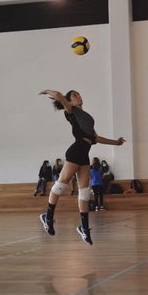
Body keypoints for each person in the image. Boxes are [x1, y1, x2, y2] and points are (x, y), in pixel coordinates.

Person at [39, 89, 125, 245]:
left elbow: (96, 138)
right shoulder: (71, 111)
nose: (78, 96)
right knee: (61, 184)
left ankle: (84, 229)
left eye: (78, 94)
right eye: (74, 95)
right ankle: (48, 217)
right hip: (76, 150)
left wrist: (116, 143)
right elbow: (59, 96)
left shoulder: (86, 118)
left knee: (85, 193)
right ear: (69, 101)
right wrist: (47, 91)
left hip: (84, 154)